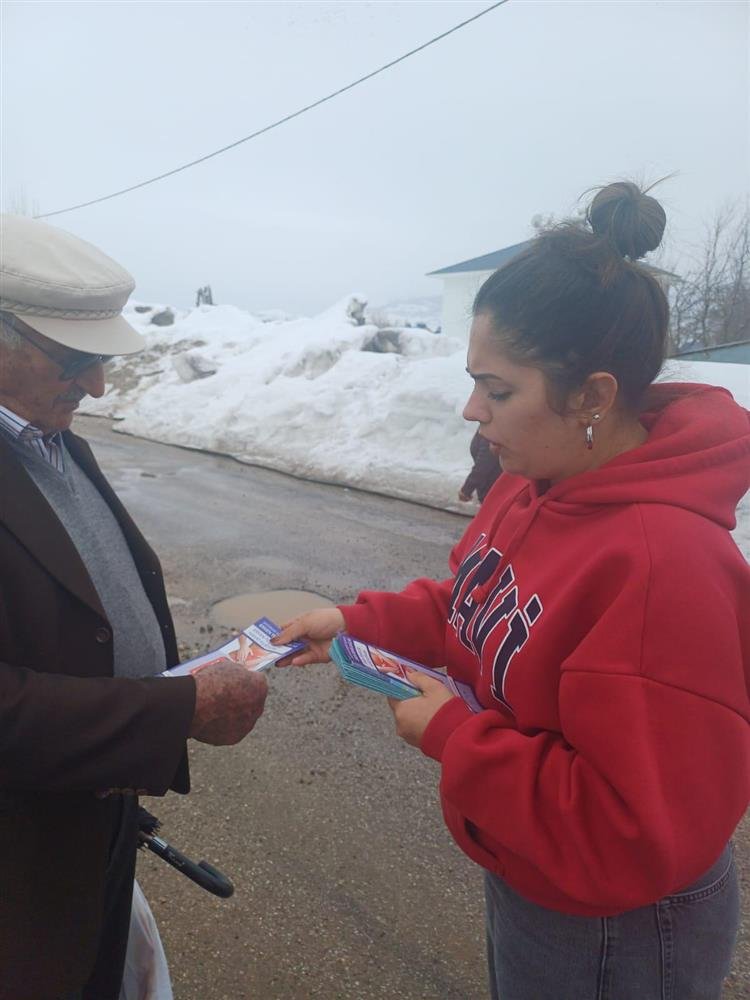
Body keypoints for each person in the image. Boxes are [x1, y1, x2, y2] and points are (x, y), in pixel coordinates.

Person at [276, 182, 750, 999]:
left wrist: (458, 737)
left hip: (620, 924)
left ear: (594, 396)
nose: (472, 411)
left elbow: (630, 834)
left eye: (498, 391)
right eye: (474, 382)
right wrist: (355, 622)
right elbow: (474, 606)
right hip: (532, 865)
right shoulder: (533, 484)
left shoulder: (662, 565)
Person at [0, 214, 268, 1000]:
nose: (98, 387)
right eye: (76, 359)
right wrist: (171, 710)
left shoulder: (52, 439)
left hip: (87, 833)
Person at [458, 427, 502, 503]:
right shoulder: (491, 425)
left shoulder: (493, 427)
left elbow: (484, 462)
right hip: (493, 487)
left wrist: (467, 489)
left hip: (494, 489)